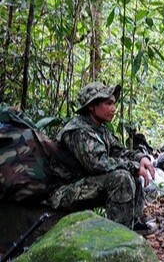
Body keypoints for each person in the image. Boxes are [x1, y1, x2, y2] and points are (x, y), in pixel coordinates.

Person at [49, 82, 156, 234]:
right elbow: (97, 164)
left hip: (84, 184)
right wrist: (133, 166)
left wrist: (140, 159)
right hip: (64, 191)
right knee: (121, 178)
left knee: (131, 172)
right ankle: (119, 234)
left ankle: (132, 222)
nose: (113, 108)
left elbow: (119, 151)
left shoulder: (99, 128)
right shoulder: (78, 130)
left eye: (113, 103)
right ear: (92, 106)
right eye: (108, 103)